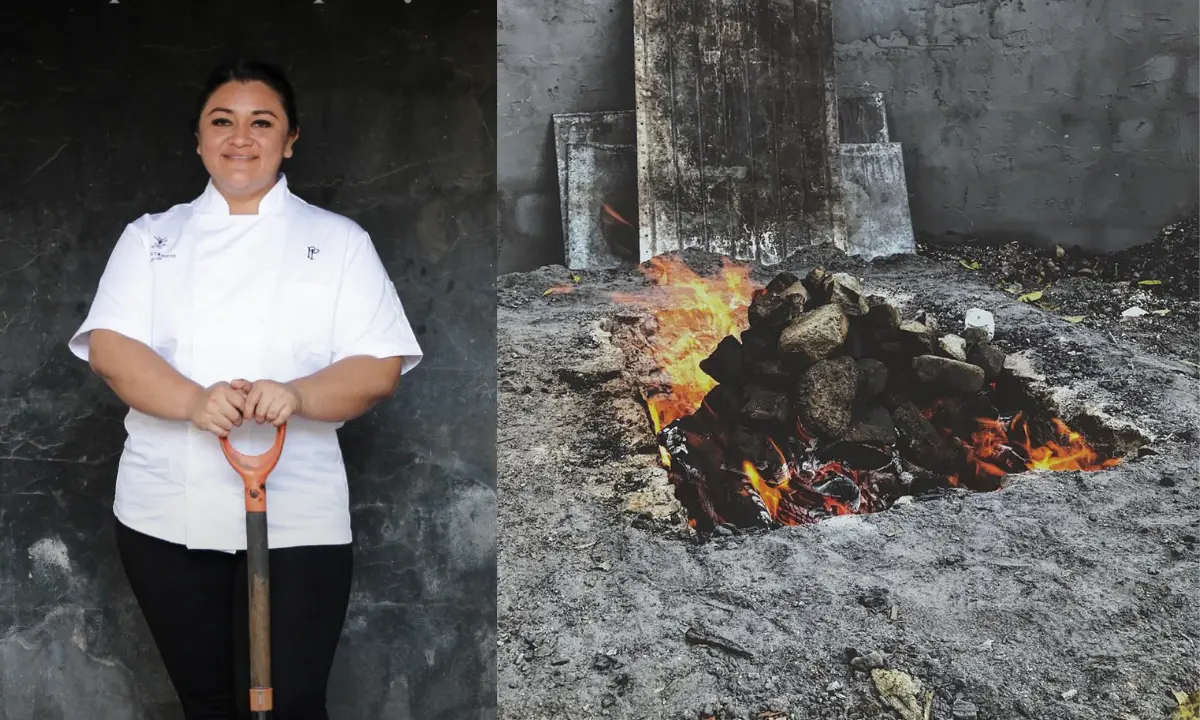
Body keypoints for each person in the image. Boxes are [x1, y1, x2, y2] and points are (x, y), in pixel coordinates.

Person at [67, 59, 423, 719]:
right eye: (221, 122)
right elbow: (113, 351)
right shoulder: (150, 240)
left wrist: (298, 395)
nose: (241, 138)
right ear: (198, 139)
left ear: (289, 140)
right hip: (164, 511)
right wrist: (195, 403)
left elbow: (379, 366)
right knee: (207, 704)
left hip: (301, 516)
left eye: (263, 122)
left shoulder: (338, 242)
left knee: (288, 705)